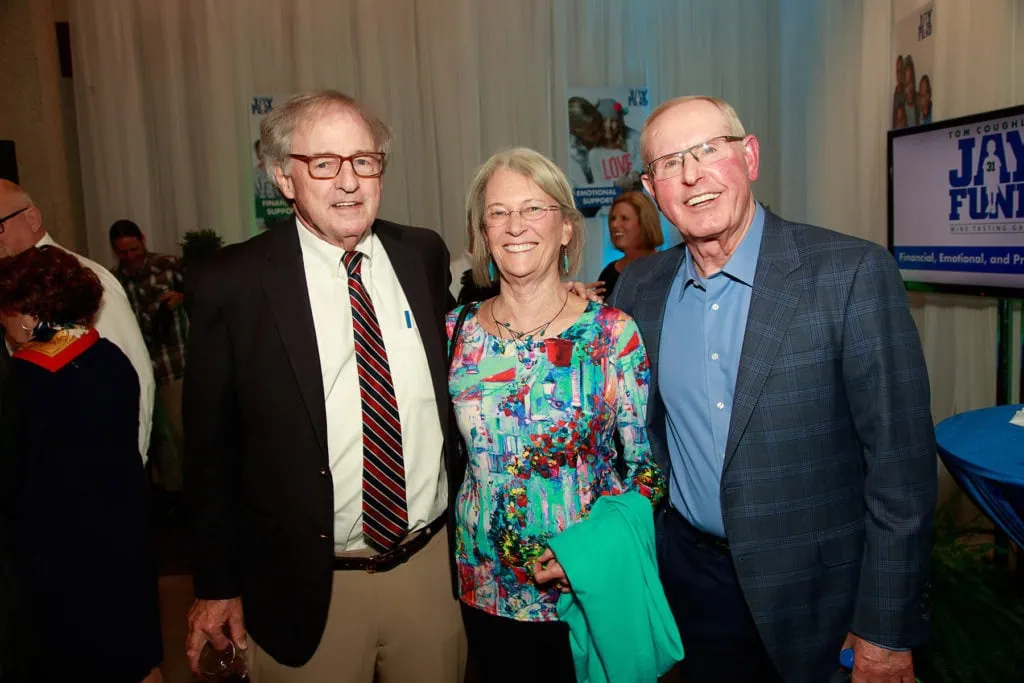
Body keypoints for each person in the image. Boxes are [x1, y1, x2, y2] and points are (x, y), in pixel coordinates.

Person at [610, 95, 936, 683]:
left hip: (824, 598)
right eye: (668, 163)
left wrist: (886, 628)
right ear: (652, 188)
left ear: (750, 156)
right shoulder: (640, 288)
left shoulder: (850, 274)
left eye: (709, 150)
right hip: (694, 589)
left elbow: (902, 471)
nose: (691, 175)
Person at [183, 90, 465, 683]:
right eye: (325, 163)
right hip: (305, 585)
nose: (349, 182)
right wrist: (216, 585)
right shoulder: (231, 283)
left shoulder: (421, 253)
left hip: (429, 572)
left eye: (364, 161)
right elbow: (209, 452)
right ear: (284, 177)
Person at [447, 146, 666, 682]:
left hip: (585, 588)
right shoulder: (455, 333)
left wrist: (586, 555)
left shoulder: (612, 334)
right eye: (498, 212)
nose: (515, 225)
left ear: (567, 228)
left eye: (534, 209)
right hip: (483, 586)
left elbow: (649, 469)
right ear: (482, 233)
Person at [0, 245, 163, 682]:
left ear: (29, 314)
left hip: (56, 566)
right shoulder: (109, 358)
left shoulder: (22, 381)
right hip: (124, 546)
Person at [0, 180, 155, 461]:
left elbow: (135, 382)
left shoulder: (80, 279)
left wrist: (130, 470)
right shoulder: (15, 283)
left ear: (32, 218)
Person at [110, 219, 189, 497]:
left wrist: (182, 299)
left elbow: (200, 295)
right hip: (140, 368)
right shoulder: (114, 281)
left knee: (182, 433)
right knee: (156, 437)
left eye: (133, 249)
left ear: (142, 240)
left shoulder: (169, 265)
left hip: (175, 363)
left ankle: (196, 492)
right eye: (123, 252)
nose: (130, 257)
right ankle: (173, 493)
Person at [596, 191, 663, 298]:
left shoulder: (667, 267)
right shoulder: (608, 274)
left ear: (644, 223)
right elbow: (598, 314)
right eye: (613, 218)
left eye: (624, 218)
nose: (614, 224)